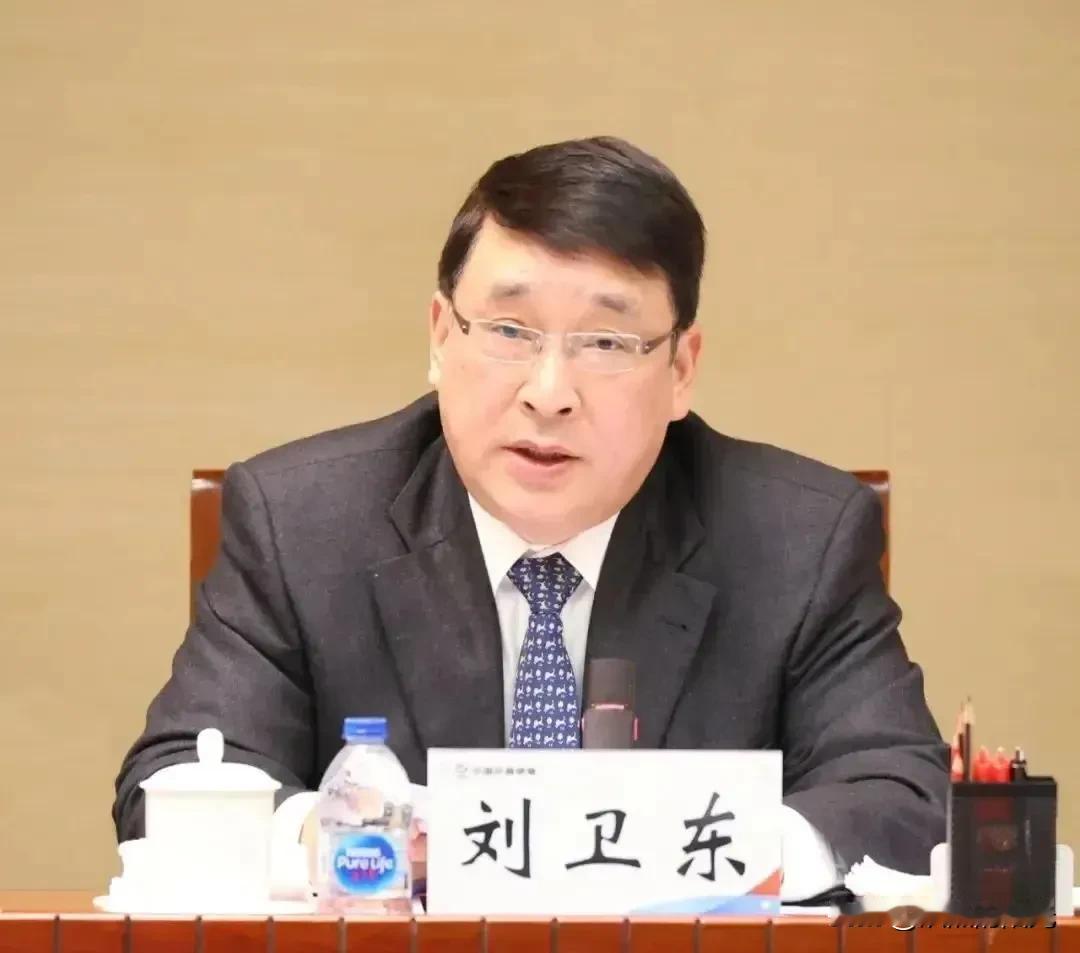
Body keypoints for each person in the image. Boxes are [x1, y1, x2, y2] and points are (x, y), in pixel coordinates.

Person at [114, 136, 947, 898]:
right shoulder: (302, 522)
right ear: (440, 336)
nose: (549, 394)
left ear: (682, 370)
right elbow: (173, 788)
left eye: (606, 342)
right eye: (510, 330)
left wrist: (687, 850)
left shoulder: (797, 539)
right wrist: (348, 836)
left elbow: (904, 798)